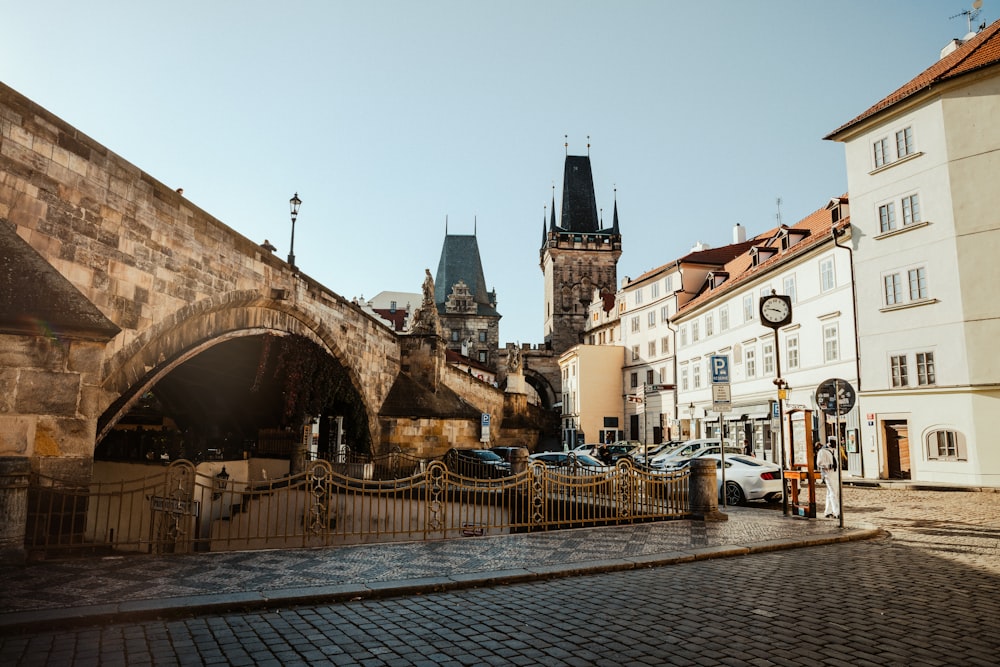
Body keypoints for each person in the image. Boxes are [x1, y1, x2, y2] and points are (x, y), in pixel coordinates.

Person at [816, 437, 840, 519]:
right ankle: (837, 511)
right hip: (828, 474)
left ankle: (828, 511)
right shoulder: (822, 451)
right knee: (833, 492)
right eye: (833, 442)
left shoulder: (835, 450)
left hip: (835, 473)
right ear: (829, 442)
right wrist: (827, 466)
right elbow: (819, 463)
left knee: (831, 492)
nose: (835, 444)